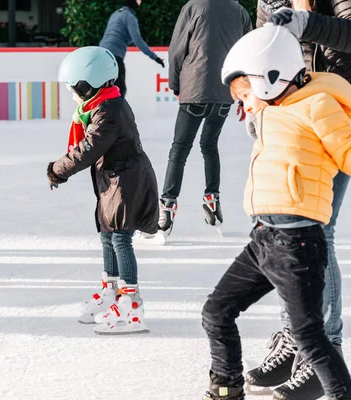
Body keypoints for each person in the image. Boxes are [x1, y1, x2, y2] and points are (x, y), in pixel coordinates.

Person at [202, 25, 351, 400]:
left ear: (270, 77)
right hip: (262, 239)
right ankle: (226, 387)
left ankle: (344, 396)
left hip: (297, 241)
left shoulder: (318, 106)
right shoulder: (272, 110)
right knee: (216, 312)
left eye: (245, 94)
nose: (244, 104)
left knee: (308, 334)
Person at [246, 1, 351, 397]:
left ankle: (324, 351)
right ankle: (296, 339)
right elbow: (260, 45)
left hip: (339, 111)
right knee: (284, 226)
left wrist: (306, 22)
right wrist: (255, 101)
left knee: (316, 228)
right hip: (289, 113)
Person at [47, 46, 159, 335]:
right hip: (114, 179)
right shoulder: (103, 105)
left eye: (74, 88)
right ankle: (111, 293)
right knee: (108, 236)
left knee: (121, 238)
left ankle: (131, 304)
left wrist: (57, 169)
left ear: (88, 85)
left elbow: (88, 149)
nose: (72, 94)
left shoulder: (109, 111)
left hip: (126, 181)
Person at [157, 0, 252, 237]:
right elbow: (248, 53)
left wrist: (175, 84)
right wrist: (244, 95)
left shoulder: (193, 7)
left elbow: (177, 50)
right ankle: (212, 200)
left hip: (194, 90)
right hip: (224, 92)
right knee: (209, 146)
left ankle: (167, 207)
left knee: (179, 149)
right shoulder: (239, 11)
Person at [99, 0, 164, 98]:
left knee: (105, 89)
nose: (140, 2)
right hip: (114, 57)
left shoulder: (116, 14)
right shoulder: (129, 17)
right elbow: (137, 40)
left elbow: (115, 35)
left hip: (101, 54)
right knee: (119, 90)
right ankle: (118, 113)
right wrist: (155, 58)